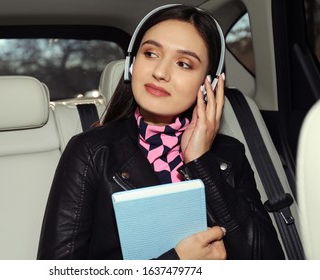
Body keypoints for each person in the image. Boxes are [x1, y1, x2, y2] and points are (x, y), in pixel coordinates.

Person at [37, 4, 285, 260]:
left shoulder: (230, 154)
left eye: (183, 63)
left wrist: (201, 161)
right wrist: (175, 263)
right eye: (151, 54)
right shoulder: (91, 152)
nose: (160, 72)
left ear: (207, 84)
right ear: (132, 64)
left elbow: (269, 260)